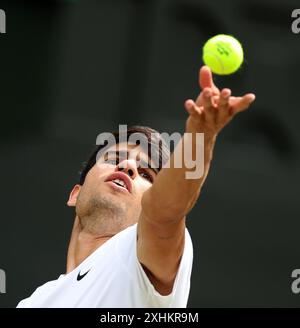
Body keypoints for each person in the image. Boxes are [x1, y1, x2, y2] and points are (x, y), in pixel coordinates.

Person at [17, 66, 255, 308]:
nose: (128, 165)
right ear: (75, 194)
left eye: (146, 174)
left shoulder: (136, 255)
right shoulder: (34, 302)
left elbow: (165, 210)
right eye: (113, 159)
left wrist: (200, 135)